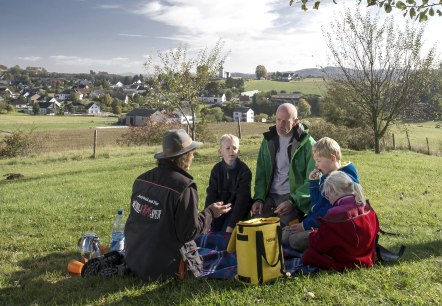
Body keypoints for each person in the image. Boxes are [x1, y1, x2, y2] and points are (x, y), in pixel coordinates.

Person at [124, 129, 232, 282]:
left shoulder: (141, 180)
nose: (193, 156)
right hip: (164, 268)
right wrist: (210, 213)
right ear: (184, 157)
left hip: (135, 260)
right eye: (192, 153)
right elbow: (188, 233)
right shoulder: (184, 187)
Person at [282, 137, 359, 251]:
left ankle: (319, 247)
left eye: (319, 161)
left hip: (333, 227)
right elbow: (316, 205)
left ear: (332, 159)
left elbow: (327, 212)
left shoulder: (342, 180)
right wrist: (313, 183)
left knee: (294, 240)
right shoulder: (327, 175)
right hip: (320, 222)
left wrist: (305, 226)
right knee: (285, 235)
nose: (316, 165)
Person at [250, 103, 316, 226]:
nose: (280, 125)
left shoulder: (308, 144)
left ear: (296, 121)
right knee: (255, 224)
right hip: (270, 195)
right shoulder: (267, 141)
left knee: (283, 227)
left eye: (285, 121)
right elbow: (261, 174)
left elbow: (312, 180)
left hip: (292, 197)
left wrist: (293, 201)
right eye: (278, 120)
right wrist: (259, 198)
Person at [302, 171, 380, 270]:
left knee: (309, 255)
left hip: (347, 261)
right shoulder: (366, 206)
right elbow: (376, 230)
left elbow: (321, 245)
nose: (329, 199)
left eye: (327, 195)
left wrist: (312, 234)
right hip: (368, 257)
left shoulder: (335, 213)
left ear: (334, 191)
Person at [204, 134, 252, 233]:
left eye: (234, 148)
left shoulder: (244, 171)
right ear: (220, 151)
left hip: (238, 212)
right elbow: (211, 195)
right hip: (220, 211)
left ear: (238, 151)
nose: (231, 151)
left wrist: (231, 225)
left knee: (227, 235)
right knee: (212, 232)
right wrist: (207, 219)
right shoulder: (216, 170)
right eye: (228, 148)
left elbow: (242, 200)